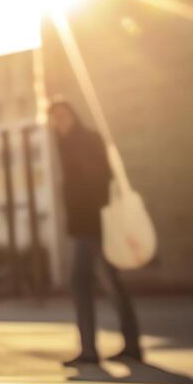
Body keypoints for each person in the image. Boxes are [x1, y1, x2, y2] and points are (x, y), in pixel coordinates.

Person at [48, 97, 143, 366]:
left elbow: (104, 178)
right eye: (55, 117)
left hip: (97, 224)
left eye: (63, 114)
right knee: (99, 283)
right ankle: (105, 348)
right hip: (80, 227)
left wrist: (95, 210)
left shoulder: (87, 139)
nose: (60, 120)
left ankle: (106, 348)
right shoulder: (61, 145)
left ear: (73, 115)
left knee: (99, 283)